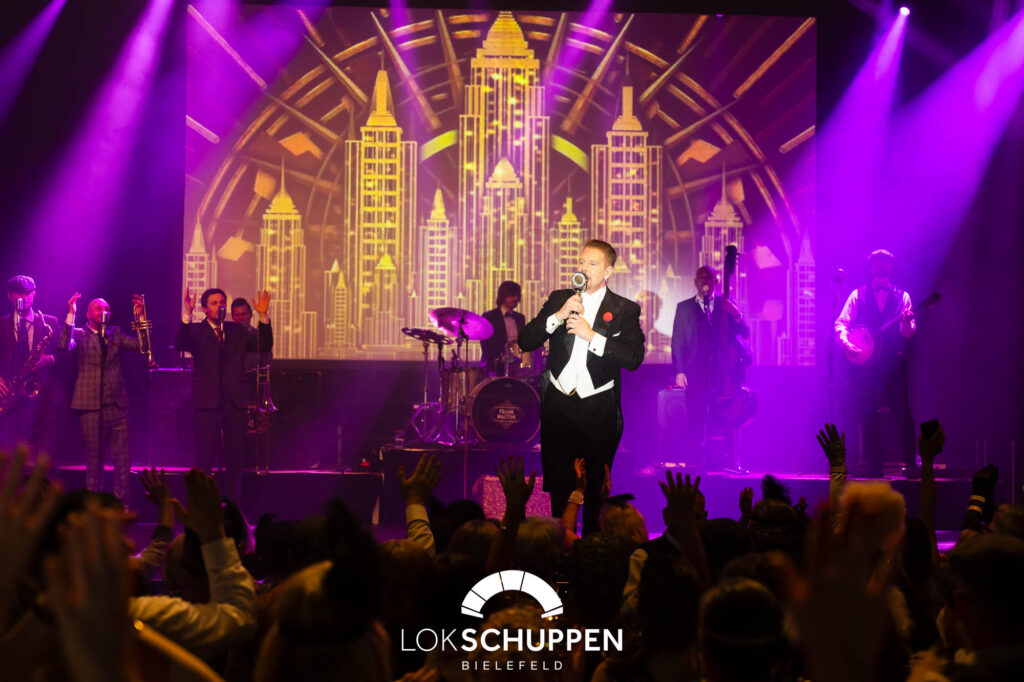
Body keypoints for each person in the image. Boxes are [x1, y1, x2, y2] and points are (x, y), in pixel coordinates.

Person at [518, 239, 645, 535]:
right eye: (581, 262)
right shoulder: (560, 298)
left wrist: (592, 337)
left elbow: (634, 358)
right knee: (560, 484)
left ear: (608, 271)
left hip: (598, 407)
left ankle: (591, 547)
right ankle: (559, 545)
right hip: (558, 405)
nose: (584, 269)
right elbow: (526, 341)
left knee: (595, 486)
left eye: (592, 264)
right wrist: (558, 316)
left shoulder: (624, 309)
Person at [175, 287, 271, 501]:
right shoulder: (197, 331)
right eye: (214, 303)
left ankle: (233, 504)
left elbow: (263, 345)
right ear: (204, 309)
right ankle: (203, 505)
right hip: (206, 403)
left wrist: (263, 316)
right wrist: (187, 313)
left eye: (221, 302)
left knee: (235, 458)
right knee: (205, 457)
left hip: (233, 402)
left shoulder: (236, 330)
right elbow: (180, 342)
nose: (219, 306)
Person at [58, 292, 146, 503]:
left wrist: (140, 318)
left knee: (123, 461)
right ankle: (93, 506)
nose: (104, 311)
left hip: (117, 405)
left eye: (107, 308)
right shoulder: (80, 334)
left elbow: (142, 347)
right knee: (94, 460)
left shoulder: (116, 333)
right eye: (99, 308)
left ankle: (121, 505)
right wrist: (71, 314)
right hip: (90, 406)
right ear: (88, 314)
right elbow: (63, 345)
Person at [834, 249, 916, 477]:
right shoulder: (857, 295)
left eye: (886, 263)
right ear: (870, 268)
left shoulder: (903, 297)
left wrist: (908, 323)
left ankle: (911, 464)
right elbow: (841, 323)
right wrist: (847, 343)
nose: (882, 266)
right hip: (865, 366)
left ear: (891, 267)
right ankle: (874, 468)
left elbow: (908, 333)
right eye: (878, 263)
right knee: (867, 414)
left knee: (902, 413)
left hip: (893, 363)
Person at [670, 265, 750, 469]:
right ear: (695, 282)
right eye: (701, 278)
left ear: (716, 281)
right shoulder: (684, 307)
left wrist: (737, 314)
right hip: (695, 372)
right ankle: (696, 462)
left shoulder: (726, 304)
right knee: (696, 416)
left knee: (725, 415)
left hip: (722, 374)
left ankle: (729, 460)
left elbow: (745, 333)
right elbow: (677, 341)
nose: (705, 281)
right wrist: (679, 371)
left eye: (709, 278)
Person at [0, 275, 60, 454]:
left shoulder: (50, 322)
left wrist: (49, 359)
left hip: (43, 401)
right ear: (9, 296)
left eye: (27, 293)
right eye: (18, 293)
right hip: (10, 399)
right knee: (10, 457)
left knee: (43, 457)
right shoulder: (1, 324)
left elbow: (67, 357)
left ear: (34, 294)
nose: (23, 297)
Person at [479, 280, 525, 375]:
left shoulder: (520, 318)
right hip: (495, 367)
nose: (516, 298)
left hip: (516, 367)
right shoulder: (489, 316)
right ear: (503, 296)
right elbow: (486, 345)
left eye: (517, 296)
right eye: (512, 296)